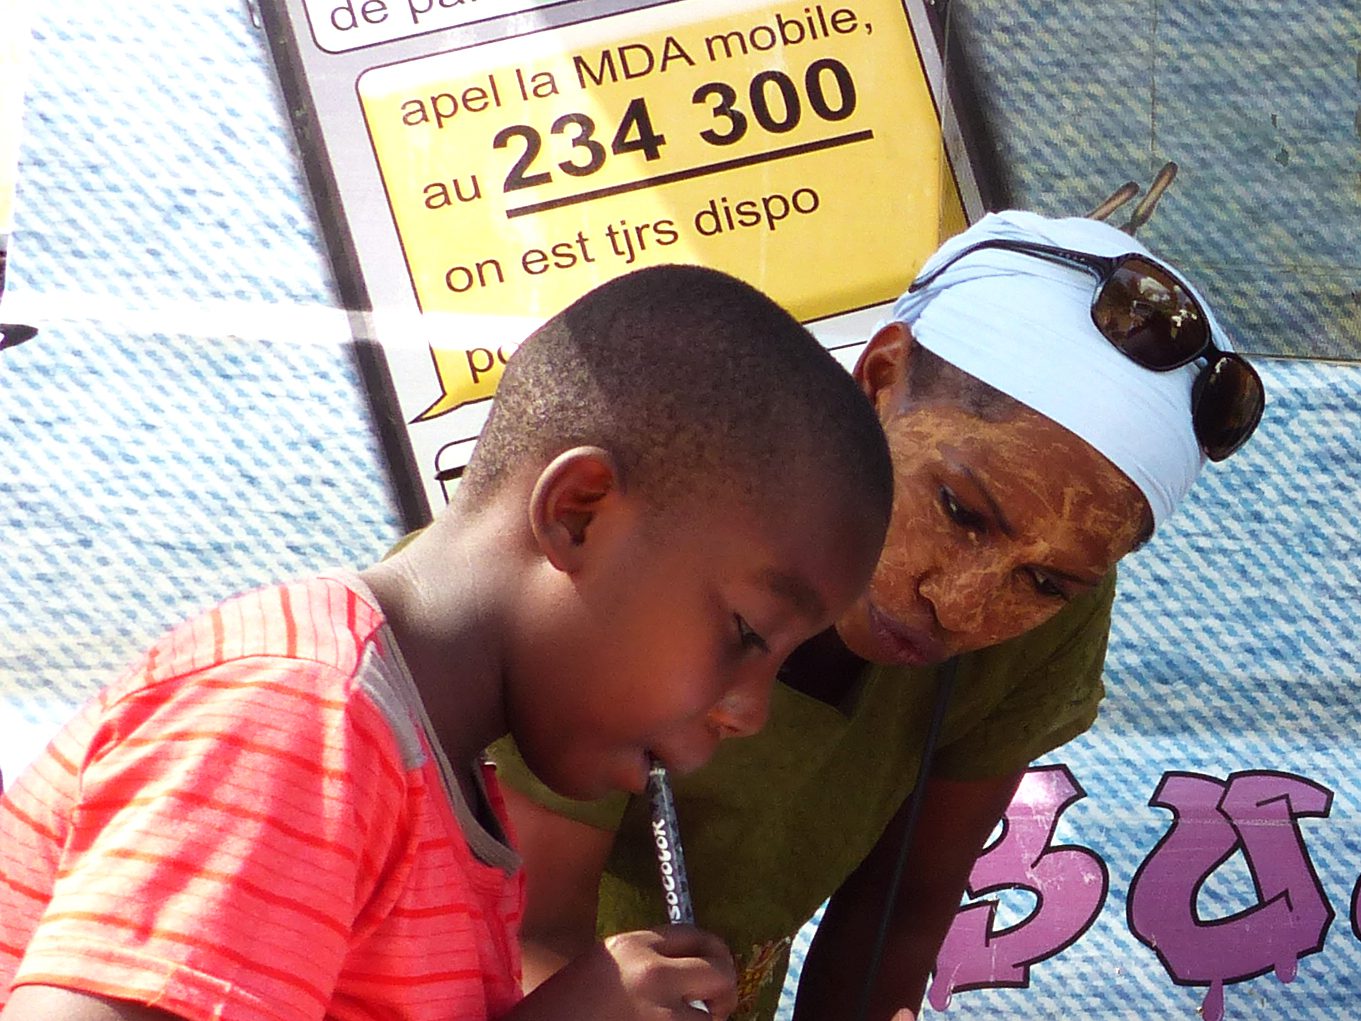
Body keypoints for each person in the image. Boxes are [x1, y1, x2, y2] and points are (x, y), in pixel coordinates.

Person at [0, 264, 895, 1021]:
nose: (751, 710)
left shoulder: (446, 790)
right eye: (746, 634)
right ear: (577, 513)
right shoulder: (307, 715)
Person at [491, 209, 1266, 1021]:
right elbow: (527, 934)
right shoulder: (646, 541)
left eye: (1043, 581)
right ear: (879, 375)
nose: (959, 602)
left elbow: (901, 908)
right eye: (961, 511)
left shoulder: (1051, 622)